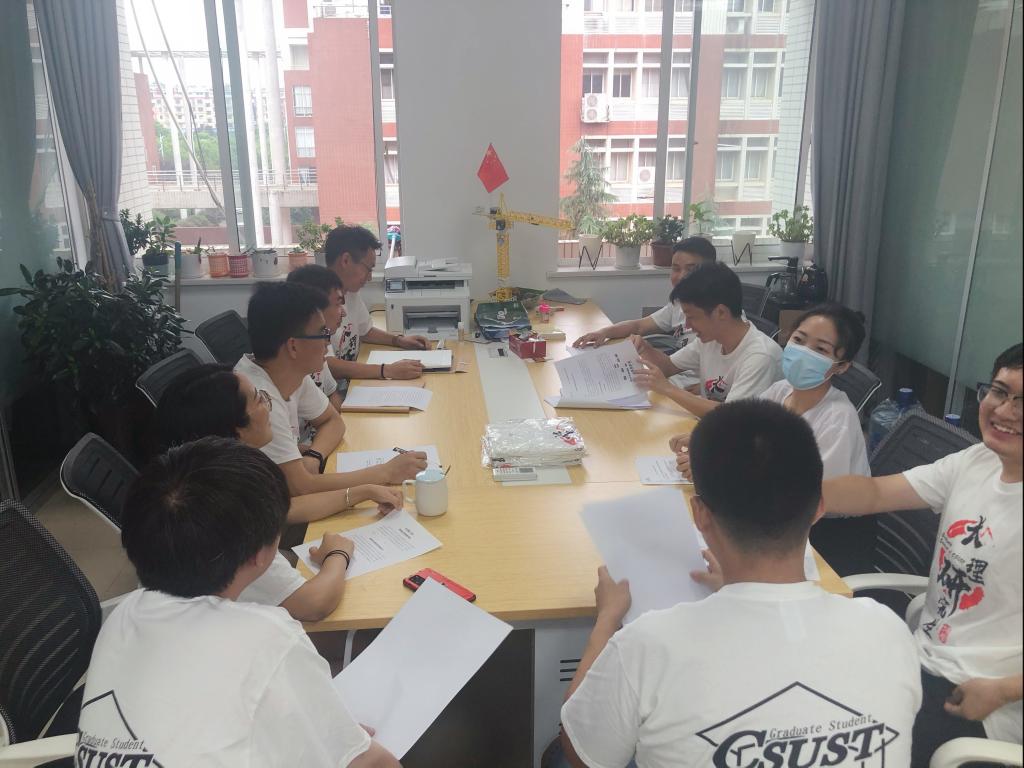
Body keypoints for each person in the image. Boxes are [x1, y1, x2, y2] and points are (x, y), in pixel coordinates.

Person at [558, 400, 921, 767]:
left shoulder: (646, 646)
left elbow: (580, 755)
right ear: (818, 508)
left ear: (700, 515)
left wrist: (606, 620)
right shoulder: (889, 631)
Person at [75, 437, 401, 767]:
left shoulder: (121, 617)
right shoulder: (269, 637)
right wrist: (344, 743)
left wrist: (326, 731)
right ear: (262, 554)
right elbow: (370, 763)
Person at [822, 343, 1023, 765]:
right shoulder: (978, 461)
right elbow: (875, 492)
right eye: (1000, 392)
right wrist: (789, 491)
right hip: (920, 660)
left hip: (981, 700)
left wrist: (1003, 691)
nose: (1006, 411)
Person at [235, 281, 426, 497]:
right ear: (293, 346)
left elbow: (333, 420)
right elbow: (301, 487)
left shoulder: (289, 370)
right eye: (322, 333)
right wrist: (386, 472)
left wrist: (314, 456)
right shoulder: (259, 400)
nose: (328, 342)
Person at [156, 363, 402, 525]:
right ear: (237, 429)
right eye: (259, 399)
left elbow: (285, 508)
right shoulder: (221, 502)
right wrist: (337, 555)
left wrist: (363, 491)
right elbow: (309, 595)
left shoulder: (231, 466)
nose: (268, 405)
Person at [633, 262, 782, 417]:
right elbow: (668, 367)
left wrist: (668, 389)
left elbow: (731, 417)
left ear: (721, 312)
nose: (687, 325)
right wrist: (645, 348)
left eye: (692, 317)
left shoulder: (761, 357)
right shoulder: (712, 339)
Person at [325, 225, 429, 396]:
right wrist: (386, 370)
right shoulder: (318, 302)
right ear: (346, 260)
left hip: (349, 386)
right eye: (369, 269)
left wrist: (399, 340)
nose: (370, 277)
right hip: (331, 394)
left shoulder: (350, 292)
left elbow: (365, 331)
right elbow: (327, 364)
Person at [572, 236, 717, 350]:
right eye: (676, 269)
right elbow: (639, 326)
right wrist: (604, 332)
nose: (681, 276)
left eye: (691, 269)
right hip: (672, 373)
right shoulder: (678, 304)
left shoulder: (720, 315)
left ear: (711, 271)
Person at [287, 263, 347, 414]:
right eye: (337, 304)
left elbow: (332, 395)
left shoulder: (316, 347)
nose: (343, 313)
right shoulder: (297, 358)